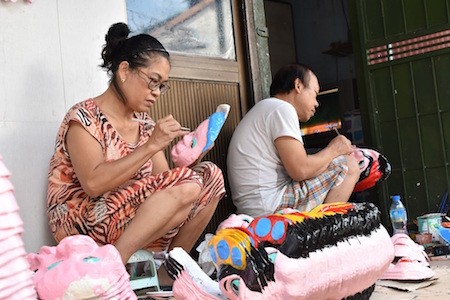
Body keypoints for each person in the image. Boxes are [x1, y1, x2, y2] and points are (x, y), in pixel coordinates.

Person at [46, 22, 225, 282]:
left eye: (162, 86)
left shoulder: (144, 124)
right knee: (189, 182)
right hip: (83, 222)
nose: (156, 93)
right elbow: (94, 183)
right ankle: (111, 269)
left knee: (210, 176)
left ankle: (168, 272)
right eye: (153, 81)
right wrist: (152, 145)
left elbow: (167, 185)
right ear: (124, 71)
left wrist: (189, 157)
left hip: (126, 218)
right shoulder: (84, 118)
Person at [227, 63, 361, 217]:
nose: (316, 103)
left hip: (259, 204)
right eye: (315, 94)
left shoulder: (268, 108)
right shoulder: (281, 109)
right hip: (270, 205)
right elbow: (300, 170)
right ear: (298, 85)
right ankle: (326, 234)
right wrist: (334, 150)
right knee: (349, 165)